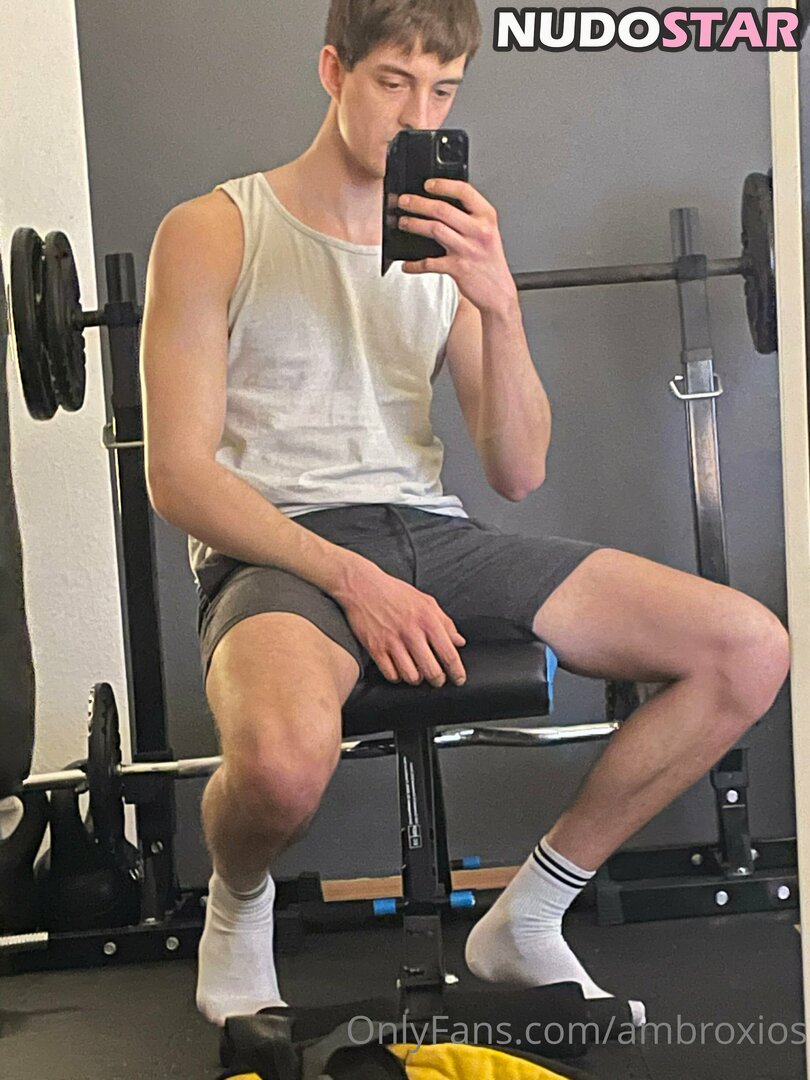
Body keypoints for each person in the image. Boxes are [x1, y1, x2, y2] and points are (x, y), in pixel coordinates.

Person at [139, 0, 790, 1028]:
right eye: (393, 83)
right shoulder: (215, 229)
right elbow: (179, 476)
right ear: (333, 71)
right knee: (278, 767)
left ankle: (530, 914)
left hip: (432, 535)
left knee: (747, 649)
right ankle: (239, 899)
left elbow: (518, 468)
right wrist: (355, 581)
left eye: (441, 91)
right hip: (279, 547)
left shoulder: (450, 242)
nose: (417, 114)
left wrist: (499, 303)